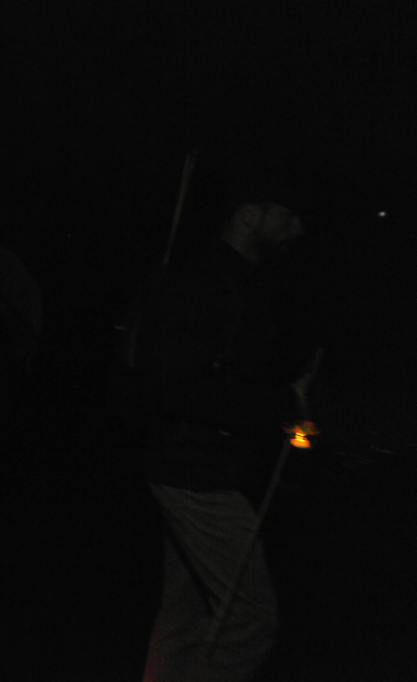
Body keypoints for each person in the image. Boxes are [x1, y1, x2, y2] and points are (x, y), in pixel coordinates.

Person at [120, 180, 317, 681]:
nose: (297, 228)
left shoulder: (238, 279)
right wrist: (283, 401)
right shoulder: (201, 280)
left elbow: (231, 371)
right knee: (250, 621)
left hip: (205, 466)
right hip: (195, 472)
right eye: (287, 214)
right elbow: (178, 387)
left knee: (188, 612)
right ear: (249, 215)